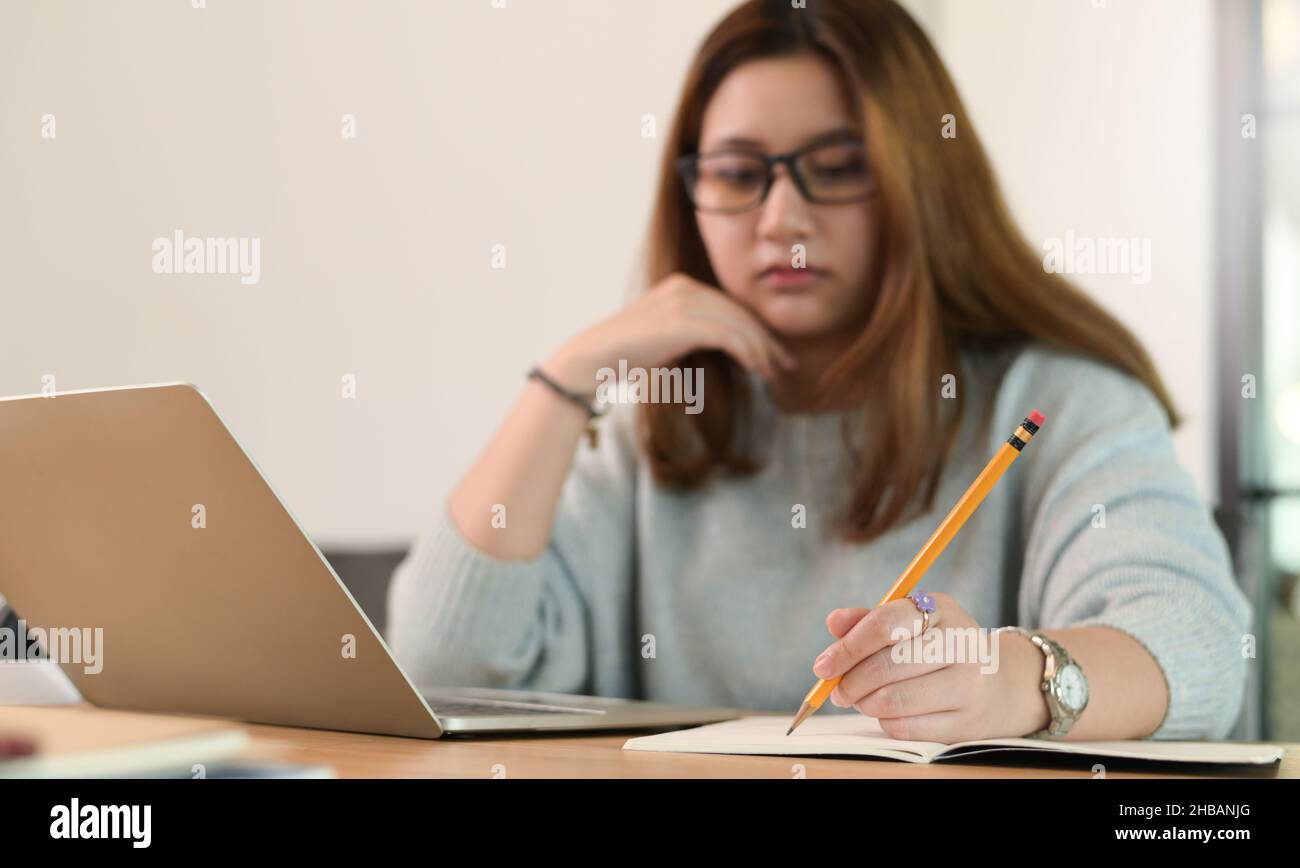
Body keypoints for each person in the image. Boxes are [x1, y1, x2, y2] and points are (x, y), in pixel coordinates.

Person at [387, 0, 1250, 742]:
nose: (782, 215)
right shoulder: (666, 422)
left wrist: (1006, 679)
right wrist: (569, 378)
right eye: (737, 173)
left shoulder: (1060, 401)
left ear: (921, 181)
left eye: (836, 167)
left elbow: (1197, 644)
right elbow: (445, 667)